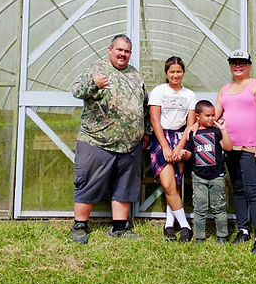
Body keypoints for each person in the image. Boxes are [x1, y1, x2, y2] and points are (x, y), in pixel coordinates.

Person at [70, 34, 149, 244]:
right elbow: (76, 90)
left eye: (127, 51)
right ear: (110, 50)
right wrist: (94, 84)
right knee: (89, 182)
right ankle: (80, 225)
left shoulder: (135, 75)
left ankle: (119, 228)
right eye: (119, 50)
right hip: (97, 141)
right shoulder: (96, 69)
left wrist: (146, 132)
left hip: (130, 144)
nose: (123, 54)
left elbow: (144, 106)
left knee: (124, 185)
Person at [215, 49, 256, 255]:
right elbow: (215, 115)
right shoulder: (225, 89)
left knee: (252, 192)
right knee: (238, 190)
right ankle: (243, 230)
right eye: (234, 62)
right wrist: (195, 126)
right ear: (230, 65)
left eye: (242, 62)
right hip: (230, 147)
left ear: (249, 65)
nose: (238, 66)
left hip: (251, 147)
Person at [149, 56, 197, 242]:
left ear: (183, 73)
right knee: (168, 184)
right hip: (161, 138)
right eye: (172, 72)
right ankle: (185, 226)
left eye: (178, 71)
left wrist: (179, 147)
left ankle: (169, 225)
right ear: (166, 73)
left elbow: (190, 124)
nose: (175, 75)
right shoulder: (159, 92)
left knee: (176, 183)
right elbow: (155, 120)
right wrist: (166, 148)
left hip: (181, 137)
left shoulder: (189, 95)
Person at [183, 100, 233, 244]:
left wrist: (223, 130)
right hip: (198, 177)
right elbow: (188, 153)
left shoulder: (217, 131)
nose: (212, 118)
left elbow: (228, 147)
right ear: (198, 116)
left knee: (219, 208)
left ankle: (222, 236)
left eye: (213, 115)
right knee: (200, 208)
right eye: (208, 116)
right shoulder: (193, 133)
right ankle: (199, 237)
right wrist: (183, 154)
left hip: (217, 176)